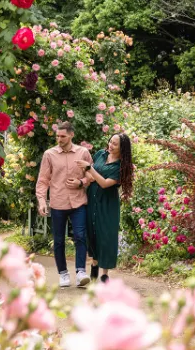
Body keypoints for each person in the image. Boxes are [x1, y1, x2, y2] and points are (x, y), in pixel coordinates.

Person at [35, 122, 93, 288]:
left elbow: (92, 174)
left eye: (63, 136)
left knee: (80, 237)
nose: (59, 139)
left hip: (78, 202)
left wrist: (81, 182)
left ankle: (81, 272)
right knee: (59, 241)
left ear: (71, 135)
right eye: (57, 136)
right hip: (58, 202)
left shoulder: (83, 152)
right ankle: (63, 274)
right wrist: (41, 201)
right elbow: (43, 180)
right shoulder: (49, 154)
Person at [84, 133, 135, 283]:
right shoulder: (100, 154)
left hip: (108, 204)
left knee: (105, 236)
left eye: (115, 144)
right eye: (110, 141)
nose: (110, 145)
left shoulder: (120, 166)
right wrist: (89, 175)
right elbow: (90, 174)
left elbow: (105, 183)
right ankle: (94, 269)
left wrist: (91, 170)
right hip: (92, 199)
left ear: (122, 148)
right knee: (92, 232)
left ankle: (104, 275)